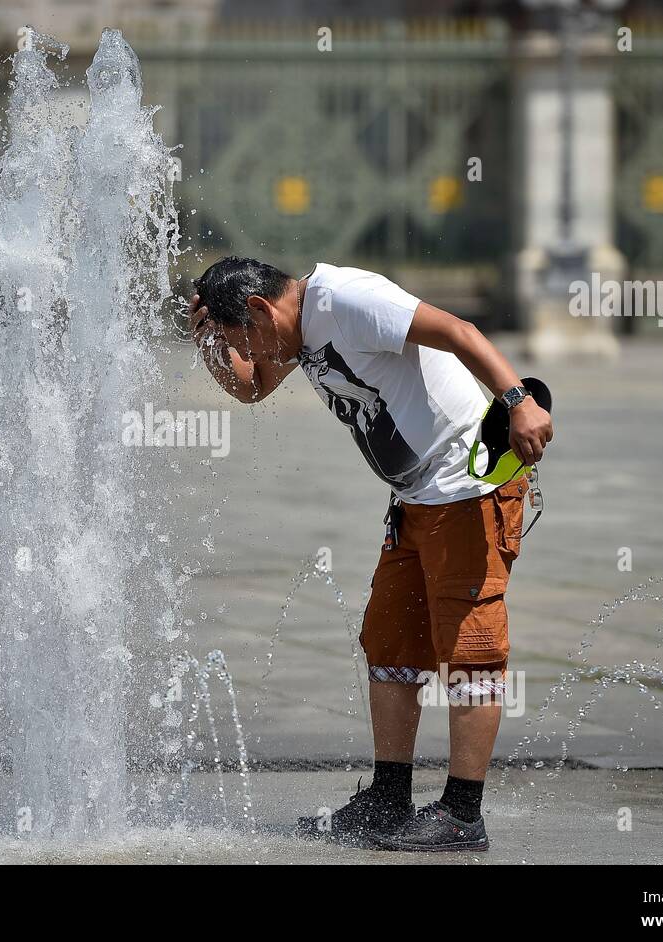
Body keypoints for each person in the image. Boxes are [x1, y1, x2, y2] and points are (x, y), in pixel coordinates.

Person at [189, 257, 553, 851]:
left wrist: (518, 402)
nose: (247, 352)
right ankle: (389, 800)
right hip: (413, 500)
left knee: (472, 649)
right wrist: (207, 339)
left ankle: (463, 814)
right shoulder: (297, 331)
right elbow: (250, 387)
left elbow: (458, 332)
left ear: (260, 309)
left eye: (241, 338)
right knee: (390, 641)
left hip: (468, 486)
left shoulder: (347, 300)